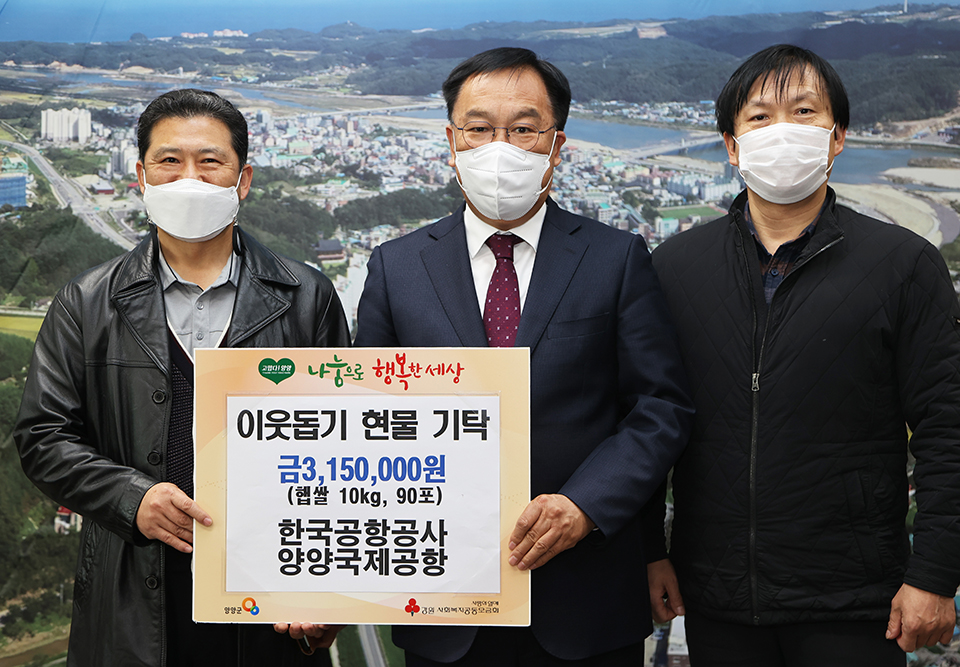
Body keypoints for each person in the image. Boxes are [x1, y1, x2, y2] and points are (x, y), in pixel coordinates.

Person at [352, 47, 693, 665]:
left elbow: (658, 406)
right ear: (451, 141)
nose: (498, 147)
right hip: (441, 595)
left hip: (583, 591)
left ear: (556, 145)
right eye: (479, 129)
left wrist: (586, 505)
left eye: (523, 129)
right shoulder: (396, 267)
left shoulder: (615, 258)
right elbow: (362, 415)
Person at [651, 44, 960, 665]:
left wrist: (936, 573)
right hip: (718, 595)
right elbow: (647, 417)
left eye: (804, 112)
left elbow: (950, 428)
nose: (783, 132)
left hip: (855, 598)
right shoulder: (674, 267)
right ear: (731, 145)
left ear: (837, 139)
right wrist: (651, 548)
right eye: (759, 117)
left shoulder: (903, 265)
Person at [14, 89, 348, 667]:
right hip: (130, 583)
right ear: (141, 176)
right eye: (169, 161)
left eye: (210, 161)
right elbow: (43, 436)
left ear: (242, 180)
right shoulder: (87, 301)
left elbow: (346, 445)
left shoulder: (307, 296)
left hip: (269, 585)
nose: (188, 178)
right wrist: (131, 497)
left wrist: (329, 597)